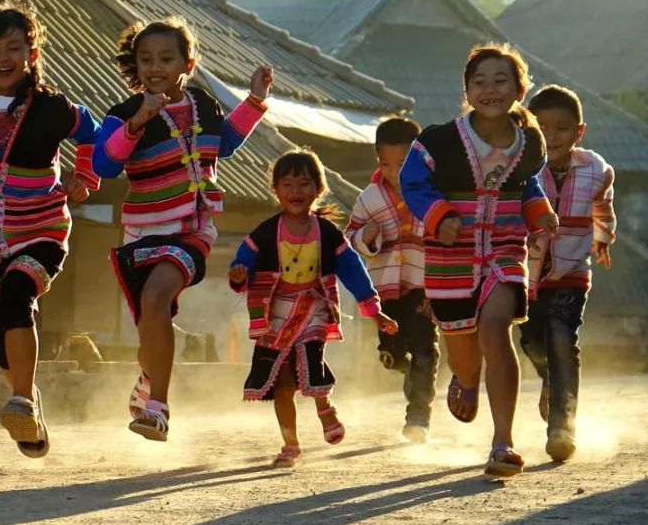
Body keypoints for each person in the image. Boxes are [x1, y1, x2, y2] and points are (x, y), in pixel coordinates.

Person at [93, 16, 273, 442]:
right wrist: (136, 124)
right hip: (140, 233)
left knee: (156, 296)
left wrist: (255, 100)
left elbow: (223, 142)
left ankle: (158, 407)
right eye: (146, 59)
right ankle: (149, 378)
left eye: (166, 58)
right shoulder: (122, 113)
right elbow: (103, 164)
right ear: (134, 67)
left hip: (191, 229)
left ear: (187, 63)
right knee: (150, 326)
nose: (155, 67)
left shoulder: (202, 103)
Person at [0, 3, 100, 458]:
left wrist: (84, 178)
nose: (2, 57)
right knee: (2, 342)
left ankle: (22, 400)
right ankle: (30, 412)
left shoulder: (53, 107)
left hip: (42, 228)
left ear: (32, 52)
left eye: (14, 47)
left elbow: (92, 135)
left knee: (16, 296)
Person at [400, 43, 558, 478]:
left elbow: (526, 186)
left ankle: (503, 442)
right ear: (467, 90)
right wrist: (439, 216)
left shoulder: (531, 143)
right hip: (451, 258)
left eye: (501, 80)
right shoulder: (438, 140)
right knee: (465, 354)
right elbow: (411, 183)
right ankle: (466, 380)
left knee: (496, 330)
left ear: (519, 88)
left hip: (505, 251)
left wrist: (539, 212)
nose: (490, 89)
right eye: (480, 82)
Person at [230, 150, 397, 467]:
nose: (296, 192)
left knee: (310, 361)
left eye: (304, 184)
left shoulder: (328, 233)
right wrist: (239, 275)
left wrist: (374, 312)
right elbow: (242, 266)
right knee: (282, 381)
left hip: (313, 307)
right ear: (275, 190)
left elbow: (354, 272)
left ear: (319, 189)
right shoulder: (263, 234)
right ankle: (290, 445)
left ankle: (324, 405)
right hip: (274, 313)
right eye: (288, 184)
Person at [518, 85, 615, 462]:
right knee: (532, 342)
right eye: (542, 128)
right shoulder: (520, 169)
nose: (551, 137)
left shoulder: (596, 169)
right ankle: (548, 379)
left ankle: (562, 426)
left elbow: (602, 209)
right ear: (528, 131)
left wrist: (602, 238)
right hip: (525, 275)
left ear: (578, 132)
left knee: (561, 339)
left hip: (572, 271)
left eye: (561, 128)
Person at [345, 117, 438, 443]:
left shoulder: (433, 193)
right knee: (393, 354)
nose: (394, 172)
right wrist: (365, 238)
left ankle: (418, 418)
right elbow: (350, 238)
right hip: (385, 290)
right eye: (386, 164)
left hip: (423, 286)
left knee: (425, 349)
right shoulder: (369, 198)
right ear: (377, 160)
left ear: (419, 159)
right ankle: (404, 367)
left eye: (402, 164)